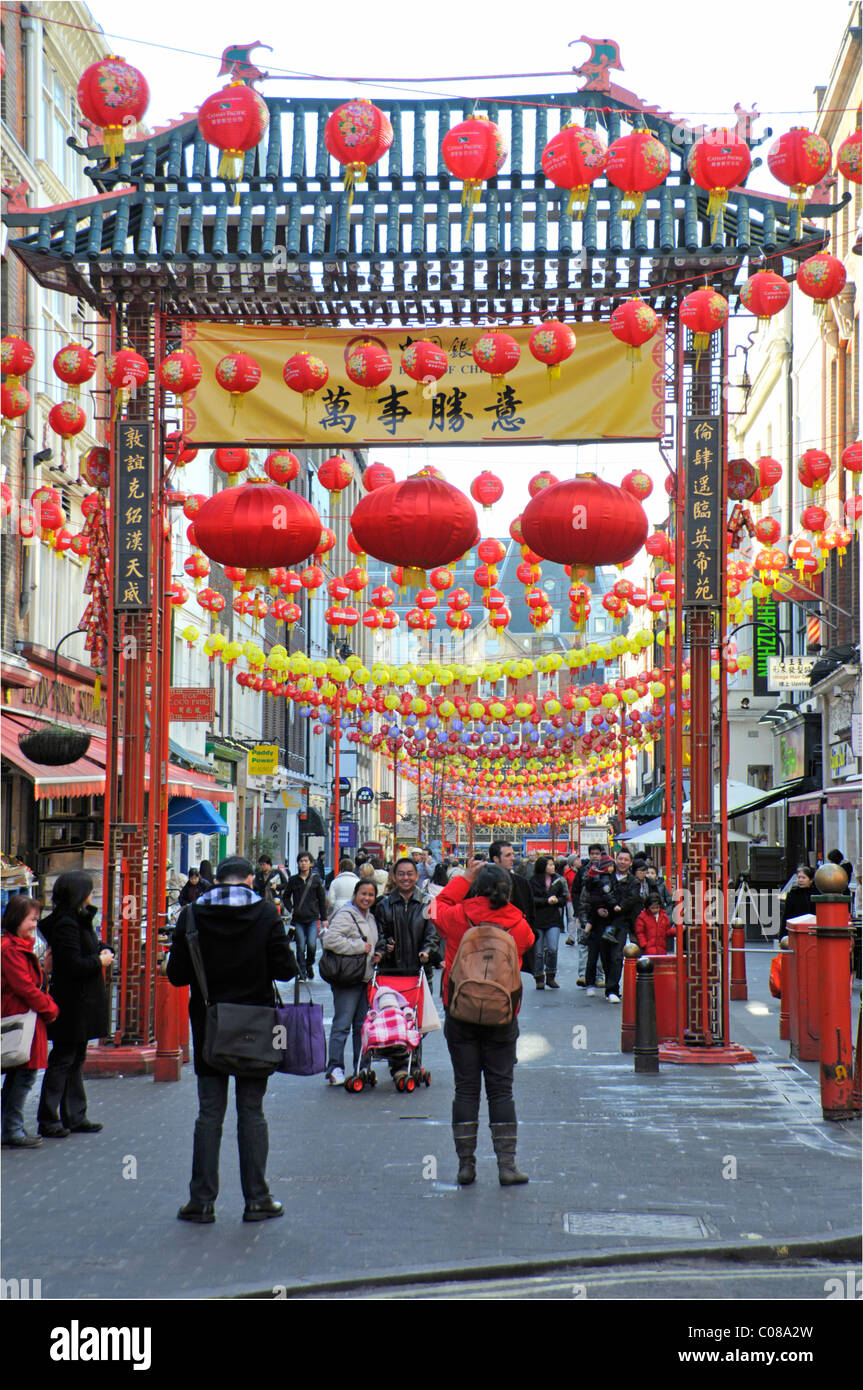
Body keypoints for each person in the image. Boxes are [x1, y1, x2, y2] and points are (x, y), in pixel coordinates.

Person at [167, 856, 298, 1223]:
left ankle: (201, 1201)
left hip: (210, 1026)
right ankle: (257, 1198)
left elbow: (177, 975)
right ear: (250, 880)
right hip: (255, 1026)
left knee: (209, 1114)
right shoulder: (267, 914)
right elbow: (286, 971)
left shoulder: (191, 915)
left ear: (218, 880)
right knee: (252, 1112)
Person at [429, 860, 534, 1186]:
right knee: (501, 1090)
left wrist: (463, 878)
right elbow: (527, 945)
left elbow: (435, 906)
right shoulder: (518, 923)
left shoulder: (458, 917)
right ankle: (506, 1165)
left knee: (466, 1088)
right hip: (502, 1017)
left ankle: (466, 1165)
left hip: (460, 1012)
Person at [37, 872, 113, 1137]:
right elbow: (72, 964)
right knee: (64, 1058)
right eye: (89, 891)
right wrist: (99, 961)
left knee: (76, 1057)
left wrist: (102, 949)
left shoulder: (78, 920)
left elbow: (87, 946)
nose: (92, 896)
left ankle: (75, 1114)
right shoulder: (66, 924)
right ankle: (49, 1117)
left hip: (83, 1001)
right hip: (73, 1002)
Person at [373, 857, 440, 1079]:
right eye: (401, 874)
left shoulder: (428, 903)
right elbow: (379, 935)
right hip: (391, 973)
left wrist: (427, 951)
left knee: (418, 1021)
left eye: (410, 873)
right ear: (394, 876)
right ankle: (399, 1065)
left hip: (419, 971)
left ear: (417, 875)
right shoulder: (383, 904)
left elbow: (434, 934)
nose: (406, 878)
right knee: (396, 1019)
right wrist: (385, 947)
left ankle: (414, 1062)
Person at [1, 896, 59, 1148]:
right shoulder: (11, 949)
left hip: (24, 1016)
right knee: (23, 1075)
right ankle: (12, 1129)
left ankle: (11, 1127)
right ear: (17, 919)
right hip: (20, 1016)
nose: (34, 925)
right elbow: (24, 986)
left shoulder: (18, 946)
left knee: (19, 1075)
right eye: (31, 919)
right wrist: (49, 1007)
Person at [320, 880, 380, 1085]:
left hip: (364, 977)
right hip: (347, 978)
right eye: (363, 894)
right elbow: (330, 940)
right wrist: (359, 947)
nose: (367, 898)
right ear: (355, 894)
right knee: (343, 1024)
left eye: (371, 895)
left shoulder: (370, 917)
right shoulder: (346, 915)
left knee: (362, 1026)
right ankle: (335, 1067)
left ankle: (361, 1066)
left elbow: (369, 945)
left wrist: (374, 954)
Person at [579, 851, 629, 1003]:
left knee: (613, 956)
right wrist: (598, 909)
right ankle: (598, 983)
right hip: (600, 921)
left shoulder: (628, 880)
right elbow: (586, 900)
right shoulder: (600, 880)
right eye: (619, 859)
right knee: (600, 954)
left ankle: (610, 987)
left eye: (625, 859)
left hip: (615, 922)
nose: (621, 863)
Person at [283, 852, 328, 981]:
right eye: (301, 861)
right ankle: (301, 972)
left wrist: (324, 918)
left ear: (311, 863)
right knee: (300, 946)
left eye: (306, 861)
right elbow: (286, 896)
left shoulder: (316, 880)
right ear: (298, 863)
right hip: (298, 919)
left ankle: (309, 965)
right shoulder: (293, 880)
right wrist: (291, 908)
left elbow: (321, 899)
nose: (303, 863)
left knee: (312, 945)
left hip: (313, 918)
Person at [529, 855, 567, 990]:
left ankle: (551, 975)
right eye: (550, 865)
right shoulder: (533, 881)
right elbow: (531, 899)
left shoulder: (558, 880)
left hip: (553, 919)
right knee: (538, 951)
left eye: (553, 864)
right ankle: (539, 977)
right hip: (538, 919)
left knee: (552, 948)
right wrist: (546, 901)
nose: (553, 867)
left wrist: (558, 901)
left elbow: (564, 897)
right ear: (543, 867)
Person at [780, 865, 815, 932]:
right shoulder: (792, 894)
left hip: (811, 929)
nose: (800, 880)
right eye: (799, 877)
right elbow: (786, 915)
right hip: (795, 929)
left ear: (810, 880)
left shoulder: (815, 894)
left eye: (803, 878)